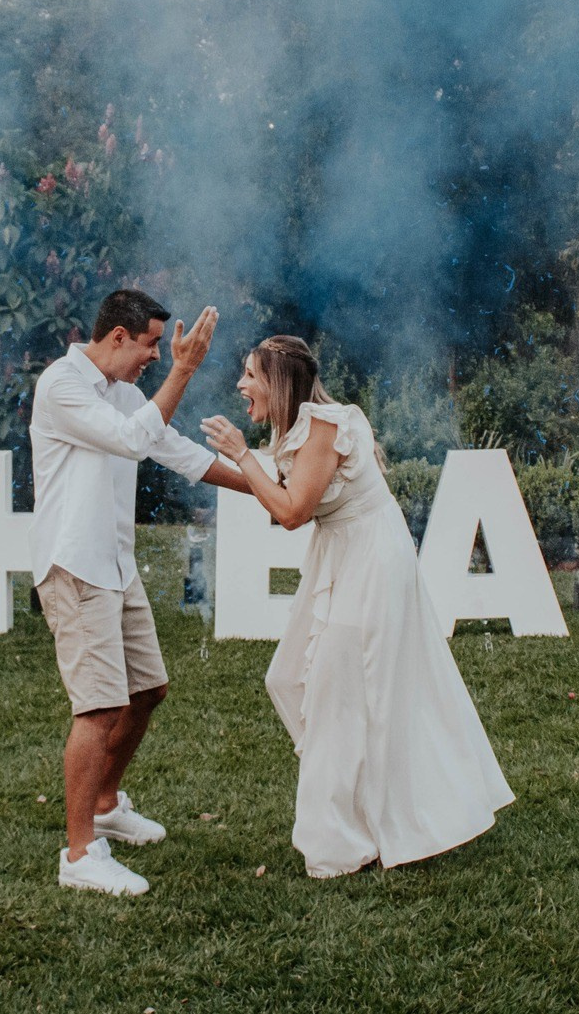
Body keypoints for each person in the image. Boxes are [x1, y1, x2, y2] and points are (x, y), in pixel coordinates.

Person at [201, 336, 513, 878]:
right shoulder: (292, 433)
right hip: (338, 556)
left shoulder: (326, 423)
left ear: (277, 382)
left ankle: (342, 844)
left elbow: (292, 511)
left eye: (249, 375)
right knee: (288, 678)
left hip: (371, 559)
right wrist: (180, 458)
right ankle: (356, 795)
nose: (240, 385)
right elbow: (263, 488)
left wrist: (241, 454)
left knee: (336, 694)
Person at [31, 289, 252, 896]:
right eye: (152, 343)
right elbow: (131, 441)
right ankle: (80, 855)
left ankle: (104, 805)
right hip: (74, 567)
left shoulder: (125, 395)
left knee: (148, 690)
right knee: (98, 708)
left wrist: (265, 488)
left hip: (117, 568)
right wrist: (185, 370)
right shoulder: (62, 385)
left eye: (163, 346)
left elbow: (178, 454)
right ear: (119, 337)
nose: (157, 354)